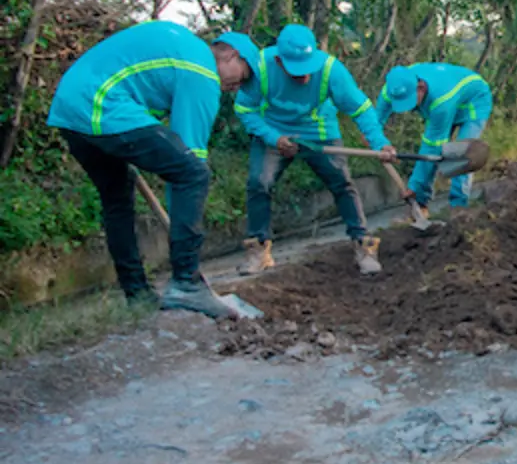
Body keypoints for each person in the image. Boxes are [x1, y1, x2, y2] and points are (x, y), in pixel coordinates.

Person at [47, 22, 260, 319]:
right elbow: (190, 161)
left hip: (70, 106)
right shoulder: (200, 70)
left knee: (117, 198)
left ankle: (138, 295)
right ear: (231, 56)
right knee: (193, 173)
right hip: (101, 103)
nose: (237, 88)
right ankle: (186, 282)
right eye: (242, 77)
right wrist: (185, 228)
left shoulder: (181, 48)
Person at [233, 24, 397, 276]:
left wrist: (379, 143)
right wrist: (273, 138)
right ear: (279, 60)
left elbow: (360, 108)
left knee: (342, 184)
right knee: (259, 182)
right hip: (273, 131)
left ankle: (362, 244)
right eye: (297, 71)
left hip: (319, 132)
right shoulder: (260, 67)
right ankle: (259, 250)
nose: (305, 77)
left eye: (308, 68)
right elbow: (245, 110)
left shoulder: (331, 70)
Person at [375, 62, 493, 213]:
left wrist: (414, 185)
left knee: (461, 156)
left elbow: (432, 148)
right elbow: (374, 123)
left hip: (474, 102)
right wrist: (378, 143)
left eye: (410, 101)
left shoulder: (441, 100)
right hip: (448, 99)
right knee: (432, 159)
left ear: (421, 88)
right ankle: (421, 206)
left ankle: (458, 208)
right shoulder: (393, 89)